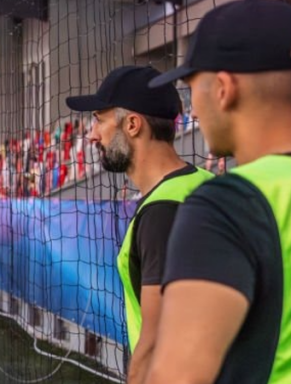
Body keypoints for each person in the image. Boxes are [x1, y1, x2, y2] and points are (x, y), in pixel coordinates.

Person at [143, 1, 291, 383]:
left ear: (223, 90)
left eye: (192, 87)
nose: (193, 106)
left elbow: (179, 376)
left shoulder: (229, 204)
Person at [66, 65, 214, 383]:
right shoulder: (204, 183)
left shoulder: (162, 210)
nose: (92, 135)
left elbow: (157, 342)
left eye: (99, 121)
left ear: (132, 124)